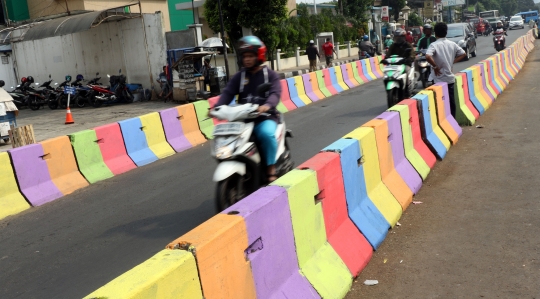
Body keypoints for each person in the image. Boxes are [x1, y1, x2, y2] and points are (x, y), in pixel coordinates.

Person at [214, 36, 282, 182]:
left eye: (250, 56)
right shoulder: (239, 76)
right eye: (245, 56)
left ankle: (271, 168)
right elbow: (228, 93)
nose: (247, 59)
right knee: (227, 139)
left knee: (266, 134)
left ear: (259, 55)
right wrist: (217, 107)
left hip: (265, 117)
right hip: (243, 120)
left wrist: (267, 106)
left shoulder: (270, 75)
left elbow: (275, 93)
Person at [425, 22, 467, 117]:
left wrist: (435, 66)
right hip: (449, 79)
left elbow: (427, 56)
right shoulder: (452, 44)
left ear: (435, 33)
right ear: (446, 32)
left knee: (439, 103)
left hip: (438, 79)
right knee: (451, 102)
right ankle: (453, 121)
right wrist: (452, 62)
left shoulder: (434, 45)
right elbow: (463, 53)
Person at [386, 28, 416, 96]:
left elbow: (412, 53)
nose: (398, 39)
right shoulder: (393, 46)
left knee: (406, 71)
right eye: (397, 37)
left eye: (400, 37)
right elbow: (388, 54)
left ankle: (407, 90)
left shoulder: (408, 45)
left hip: (405, 64)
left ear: (404, 37)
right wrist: (385, 59)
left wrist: (410, 58)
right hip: (395, 65)